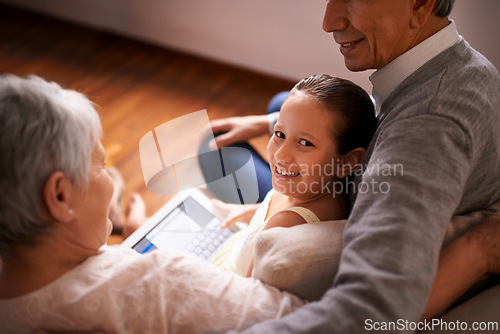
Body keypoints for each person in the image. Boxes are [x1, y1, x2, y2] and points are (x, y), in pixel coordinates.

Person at [203, 0, 500, 332]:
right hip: (337, 181)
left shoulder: (430, 123)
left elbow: (377, 306)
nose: (328, 21)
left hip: (330, 193)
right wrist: (269, 122)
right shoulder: (454, 68)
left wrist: (477, 251)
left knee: (212, 147)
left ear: (419, 3)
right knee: (279, 102)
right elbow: (376, 108)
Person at [0, 74, 304, 333]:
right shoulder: (161, 282)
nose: (106, 177)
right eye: (100, 168)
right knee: (284, 104)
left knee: (284, 105)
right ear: (61, 196)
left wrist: (126, 245)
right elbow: (304, 319)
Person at [211, 74, 376, 277]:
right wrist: (248, 212)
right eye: (279, 134)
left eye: (305, 143)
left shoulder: (286, 225)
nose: (280, 155)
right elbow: (275, 206)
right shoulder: (311, 189)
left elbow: (245, 294)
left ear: (346, 162)